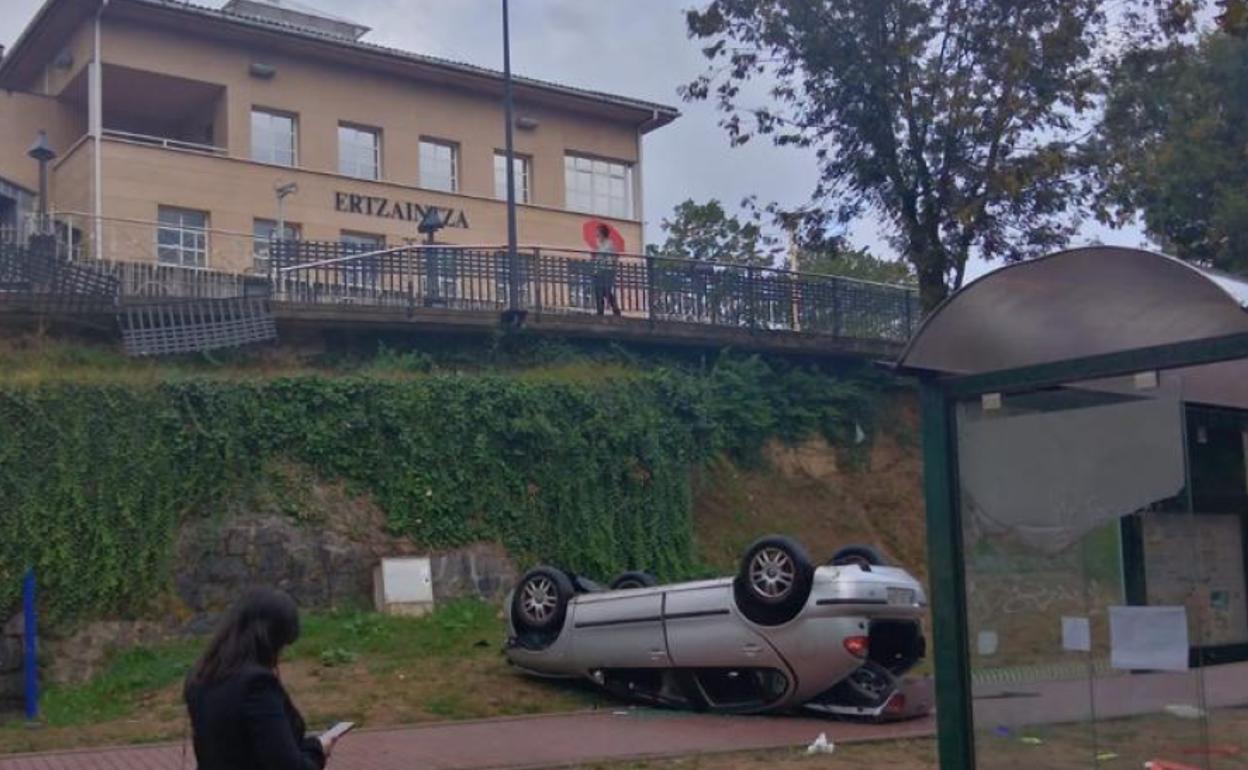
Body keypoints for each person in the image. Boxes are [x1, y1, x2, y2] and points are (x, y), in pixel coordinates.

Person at [184, 588, 338, 770]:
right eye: (281, 644)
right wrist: (319, 750)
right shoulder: (256, 685)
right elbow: (286, 764)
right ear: (270, 640)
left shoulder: (199, 678)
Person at [591, 223, 621, 316]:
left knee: (605, 290)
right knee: (598, 289)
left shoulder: (609, 244)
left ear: (602, 233)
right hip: (600, 270)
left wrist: (601, 257)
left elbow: (613, 257)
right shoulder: (600, 244)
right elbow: (599, 258)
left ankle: (614, 308)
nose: (596, 234)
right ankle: (600, 310)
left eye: (598, 232)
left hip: (608, 270)